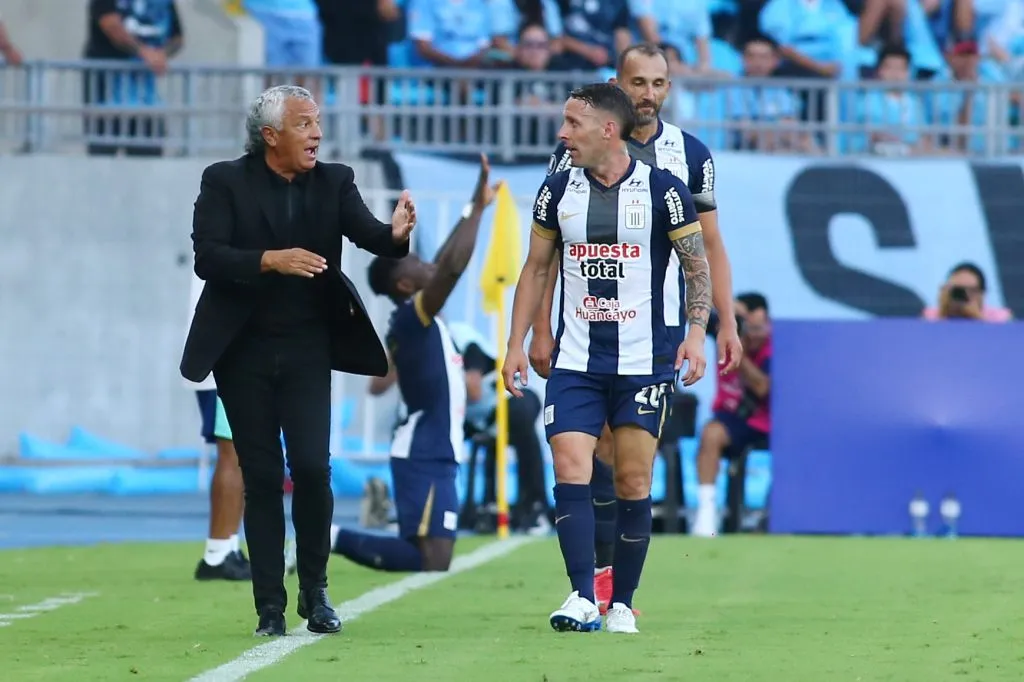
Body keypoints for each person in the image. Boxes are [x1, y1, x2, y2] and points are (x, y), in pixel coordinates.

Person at [179, 84, 417, 637]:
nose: (317, 133)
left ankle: (316, 590)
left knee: (311, 468)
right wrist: (270, 260)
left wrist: (398, 234)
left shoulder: (335, 180)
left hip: (309, 347)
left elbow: (372, 236)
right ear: (270, 136)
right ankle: (269, 607)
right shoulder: (223, 181)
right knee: (261, 476)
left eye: (317, 122)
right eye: (305, 124)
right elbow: (208, 256)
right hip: (242, 350)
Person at [527, 42, 741, 614]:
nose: (649, 94)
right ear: (617, 87)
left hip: (653, 333)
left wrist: (725, 323)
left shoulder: (688, 156)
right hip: (581, 331)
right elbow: (549, 253)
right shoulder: (569, 159)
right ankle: (594, 582)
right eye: (639, 82)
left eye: (660, 83)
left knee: (624, 463)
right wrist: (540, 329)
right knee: (580, 453)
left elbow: (709, 249)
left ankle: (613, 588)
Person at [325, 154, 497, 573]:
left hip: (437, 447)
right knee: (432, 558)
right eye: (415, 262)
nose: (427, 263)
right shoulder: (412, 315)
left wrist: (475, 207)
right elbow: (452, 267)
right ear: (404, 283)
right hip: (424, 449)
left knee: (435, 558)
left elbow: (444, 260)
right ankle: (326, 536)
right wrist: (477, 214)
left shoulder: (417, 314)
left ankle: (327, 537)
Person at [184, 272, 250, 582]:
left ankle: (227, 547)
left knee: (242, 454)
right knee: (234, 453)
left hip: (225, 351)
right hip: (228, 357)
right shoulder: (227, 237)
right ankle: (218, 552)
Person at [693, 293, 773, 536]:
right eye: (749, 326)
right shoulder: (724, 332)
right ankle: (707, 513)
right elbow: (694, 313)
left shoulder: (774, 348)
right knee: (710, 433)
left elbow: (762, 387)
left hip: (765, 422)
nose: (755, 333)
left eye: (760, 327)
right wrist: (727, 317)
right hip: (730, 418)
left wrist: (738, 350)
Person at [921, 262, 1012, 322]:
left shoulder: (1001, 318)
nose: (963, 295)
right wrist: (943, 312)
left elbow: (1006, 343)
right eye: (957, 290)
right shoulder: (929, 316)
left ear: (982, 294)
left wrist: (978, 317)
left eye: (971, 291)